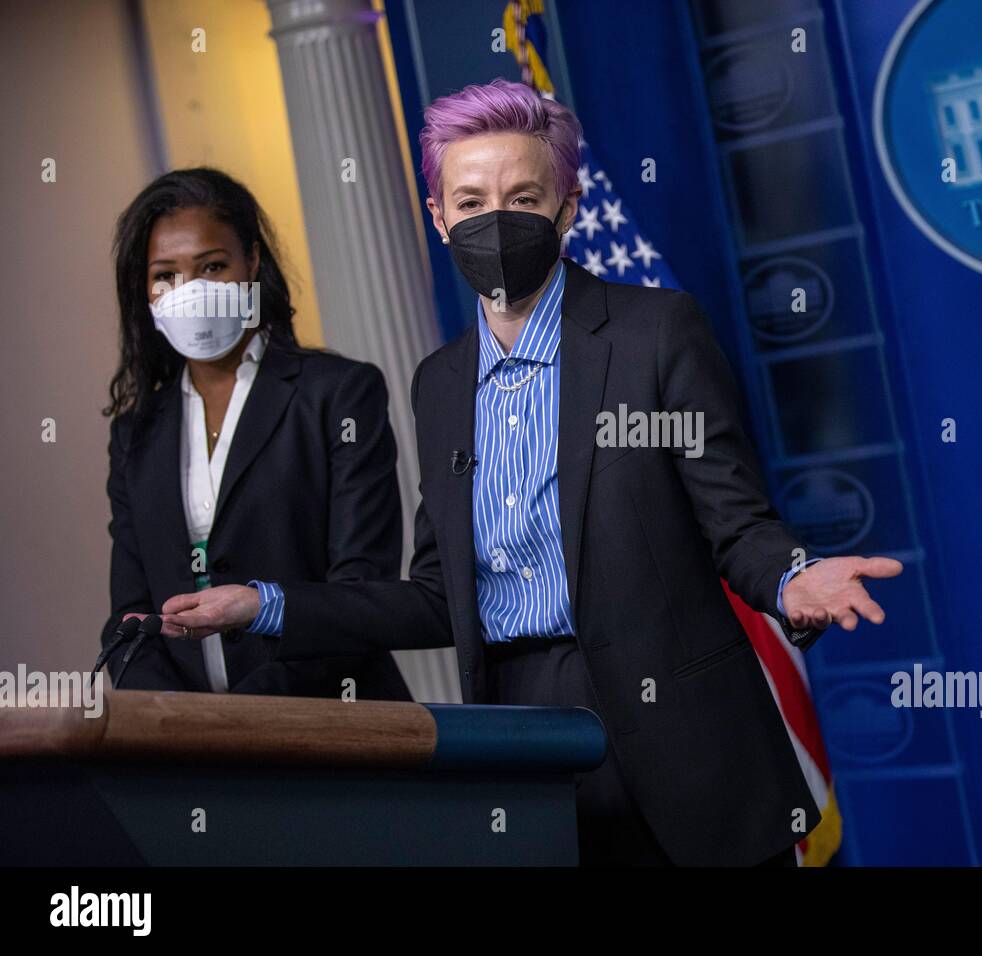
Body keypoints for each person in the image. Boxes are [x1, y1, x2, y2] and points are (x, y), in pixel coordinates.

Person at [158, 80, 903, 864]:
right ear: (438, 217)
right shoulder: (437, 383)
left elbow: (736, 524)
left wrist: (793, 579)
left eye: (522, 196)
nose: (496, 220)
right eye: (471, 202)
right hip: (524, 742)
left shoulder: (655, 334)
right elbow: (438, 595)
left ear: (566, 208)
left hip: (686, 745)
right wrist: (265, 605)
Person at [101, 167, 409, 700]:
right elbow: (130, 619)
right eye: (165, 275)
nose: (189, 292)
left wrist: (248, 718)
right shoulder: (137, 432)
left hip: (338, 731)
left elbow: (360, 595)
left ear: (254, 264)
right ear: (144, 292)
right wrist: (175, 722)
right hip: (190, 761)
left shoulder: (337, 394)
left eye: (213, 266)